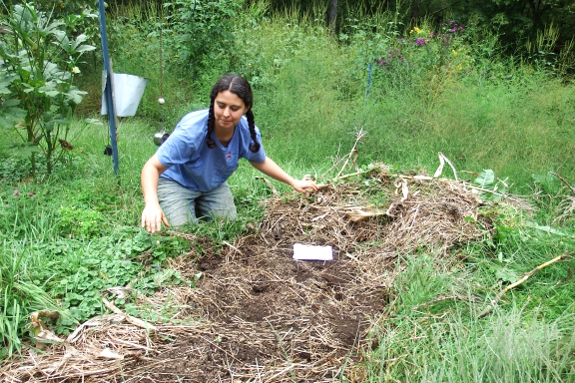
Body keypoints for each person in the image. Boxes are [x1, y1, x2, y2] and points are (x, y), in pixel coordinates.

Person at [141, 74, 318, 233]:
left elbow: (260, 160)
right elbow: (151, 167)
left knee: (229, 228)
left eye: (234, 108)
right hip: (176, 182)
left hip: (212, 185)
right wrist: (151, 204)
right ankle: (182, 203)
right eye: (221, 105)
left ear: (246, 108)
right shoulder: (191, 132)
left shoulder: (247, 131)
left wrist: (292, 181)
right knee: (182, 232)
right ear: (213, 102)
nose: (226, 114)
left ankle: (197, 203)